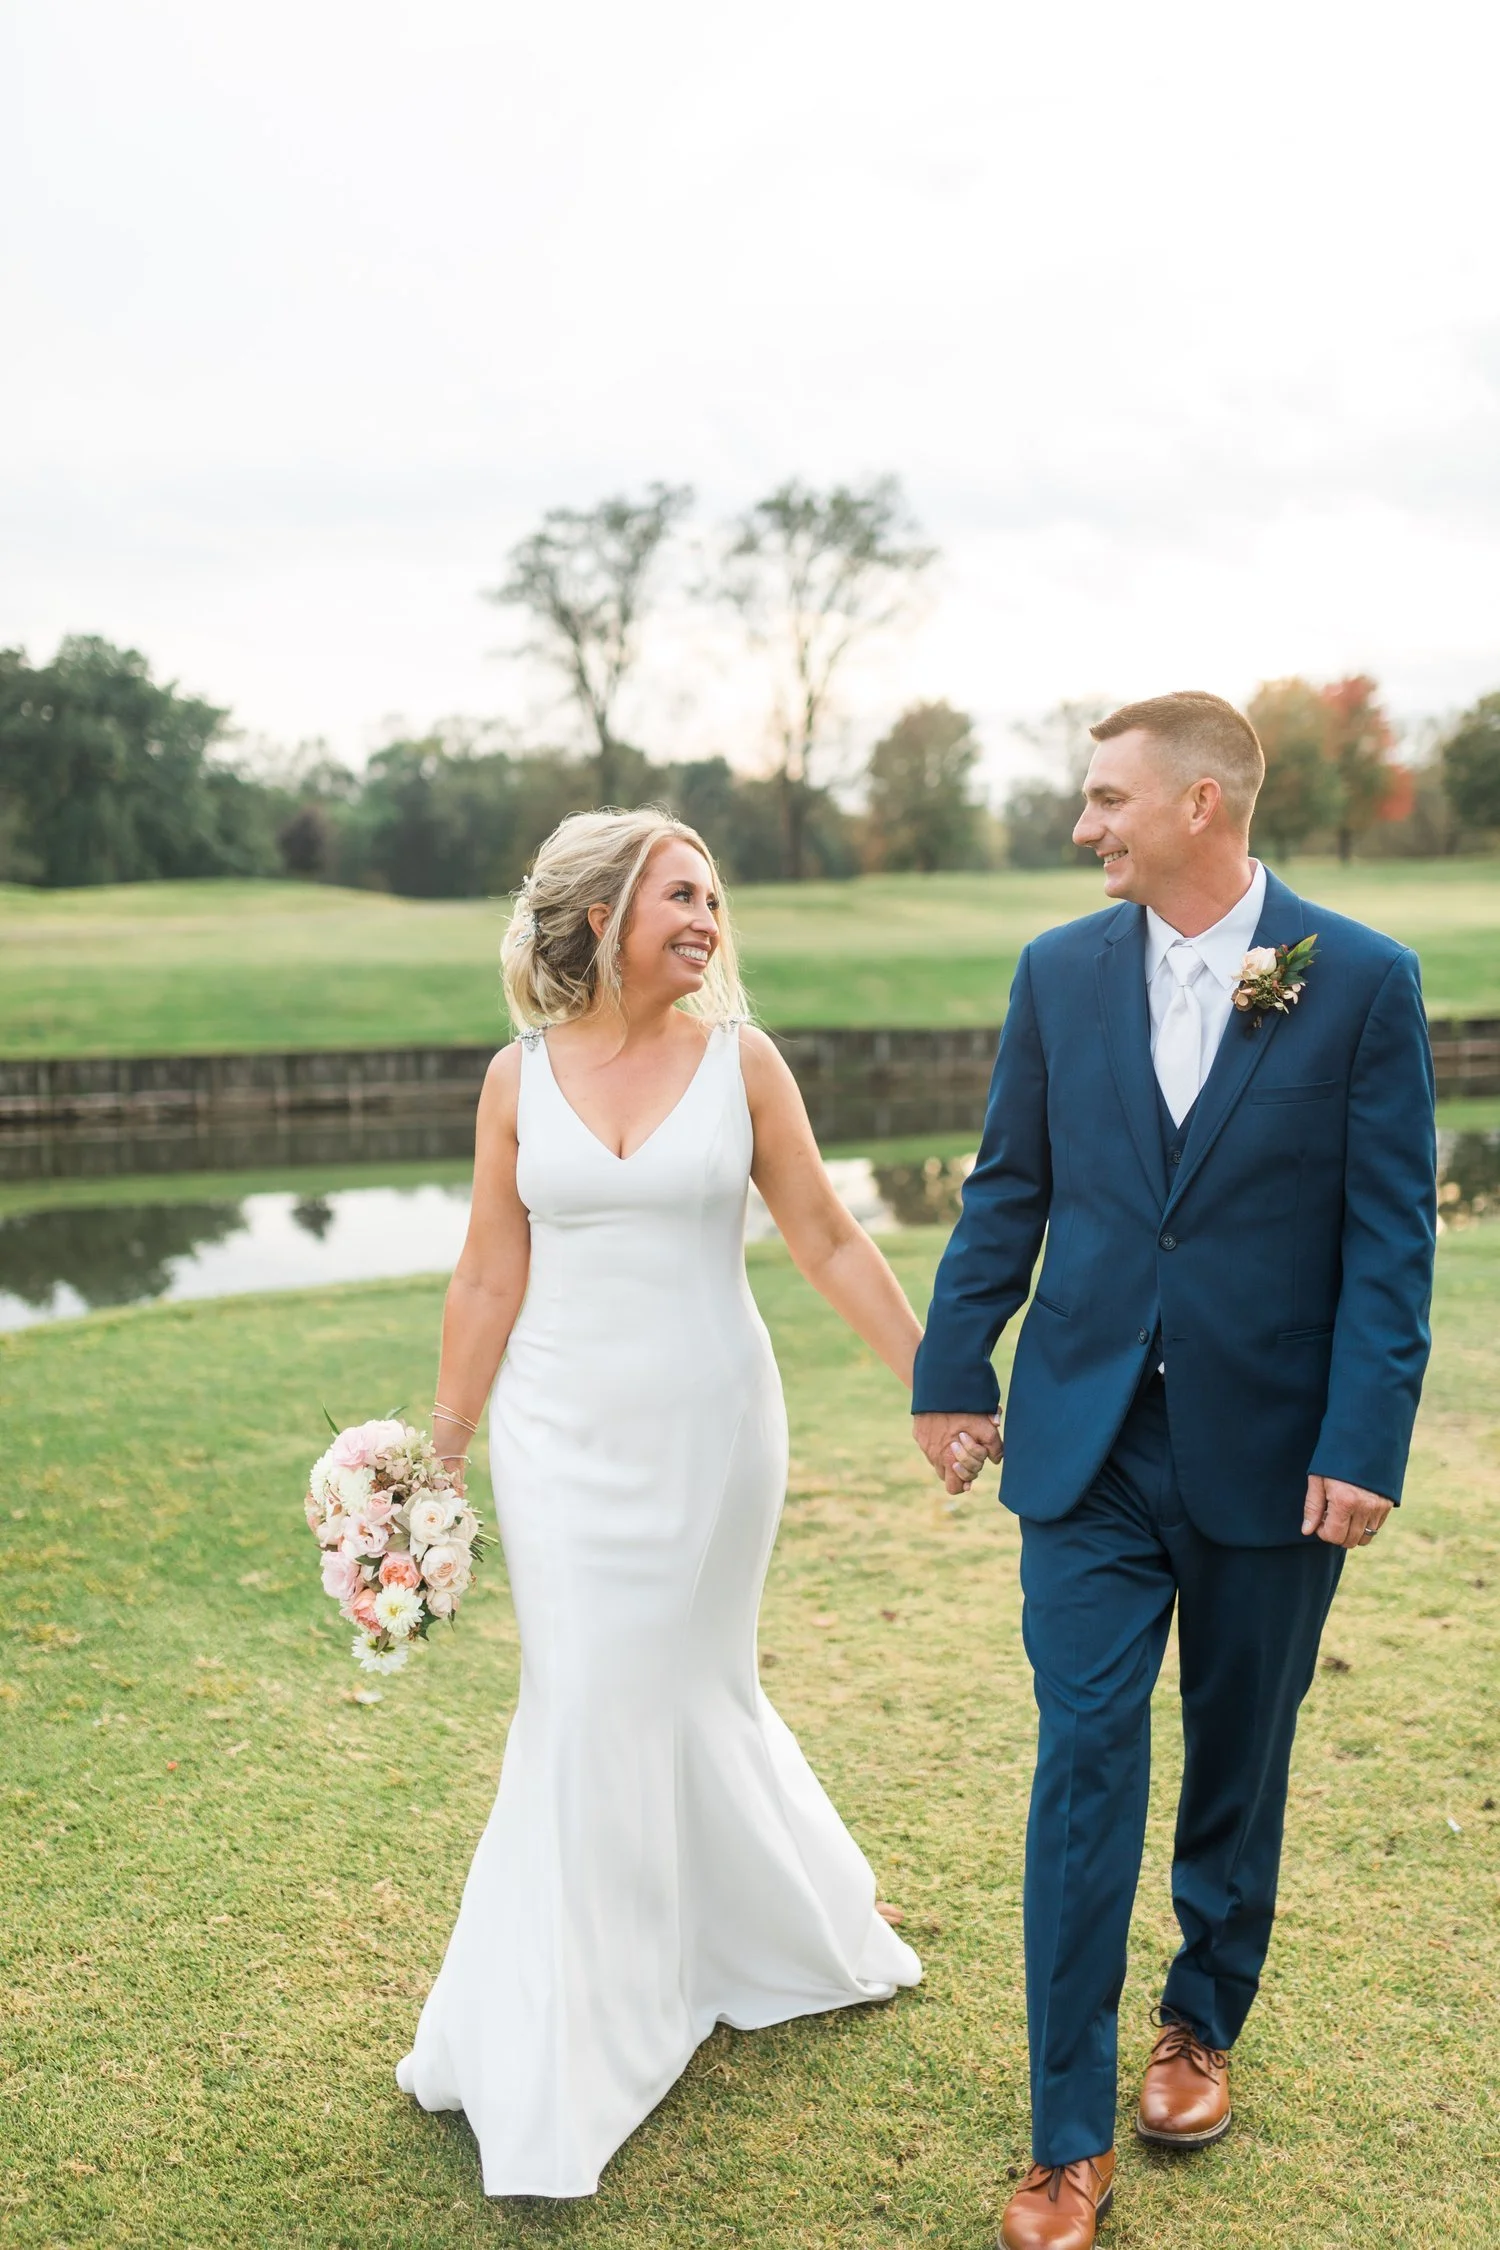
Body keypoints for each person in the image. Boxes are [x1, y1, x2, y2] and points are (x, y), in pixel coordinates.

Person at [912, 692, 1436, 2250]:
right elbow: (1011, 1181)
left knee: (1237, 1747)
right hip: (1086, 1443)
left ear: (1204, 803)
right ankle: (1065, 2132)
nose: (1085, 827)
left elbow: (1390, 1241)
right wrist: (956, 1366)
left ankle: (1200, 2018)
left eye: (1106, 800)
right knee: (1085, 1757)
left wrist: (1362, 1439)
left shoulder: (1361, 983)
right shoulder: (1058, 973)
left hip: (1277, 1455)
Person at [396, 807, 922, 2198]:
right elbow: (487, 1276)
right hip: (559, 1438)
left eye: (712, 895)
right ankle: (577, 2019)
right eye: (679, 894)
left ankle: (750, 1931)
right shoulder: (516, 1077)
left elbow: (823, 1230)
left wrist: (936, 1385)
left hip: (711, 1432)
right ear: (598, 919)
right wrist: (437, 1461)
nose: (706, 916)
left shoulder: (742, 1064)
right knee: (578, 1700)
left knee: (698, 1683)